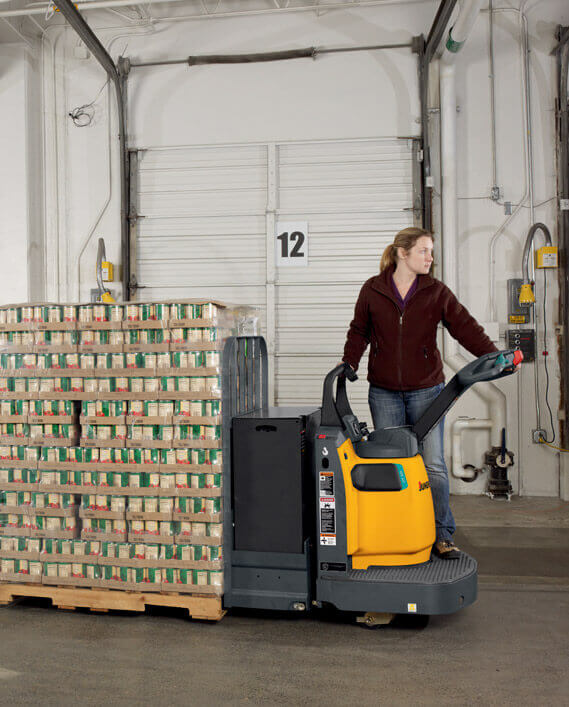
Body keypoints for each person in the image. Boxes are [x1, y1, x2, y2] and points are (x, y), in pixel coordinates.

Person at [342, 227, 498, 560]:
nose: (430, 257)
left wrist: (492, 355)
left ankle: (442, 535)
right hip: (383, 392)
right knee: (392, 464)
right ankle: (397, 531)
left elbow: (464, 327)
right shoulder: (373, 290)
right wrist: (348, 364)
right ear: (403, 253)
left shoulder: (436, 291)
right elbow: (359, 331)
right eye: (424, 251)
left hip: (427, 391)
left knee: (433, 465)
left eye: (430, 251)